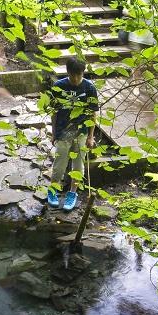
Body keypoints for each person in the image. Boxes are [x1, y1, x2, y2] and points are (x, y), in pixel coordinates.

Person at [45, 57, 99, 212]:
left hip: (81, 131)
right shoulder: (59, 86)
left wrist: (90, 136)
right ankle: (53, 190)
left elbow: (93, 114)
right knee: (60, 164)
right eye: (72, 75)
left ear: (83, 73)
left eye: (79, 75)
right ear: (67, 72)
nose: (75, 79)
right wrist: (54, 133)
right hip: (63, 131)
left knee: (78, 165)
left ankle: (72, 193)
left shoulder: (89, 88)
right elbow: (54, 112)